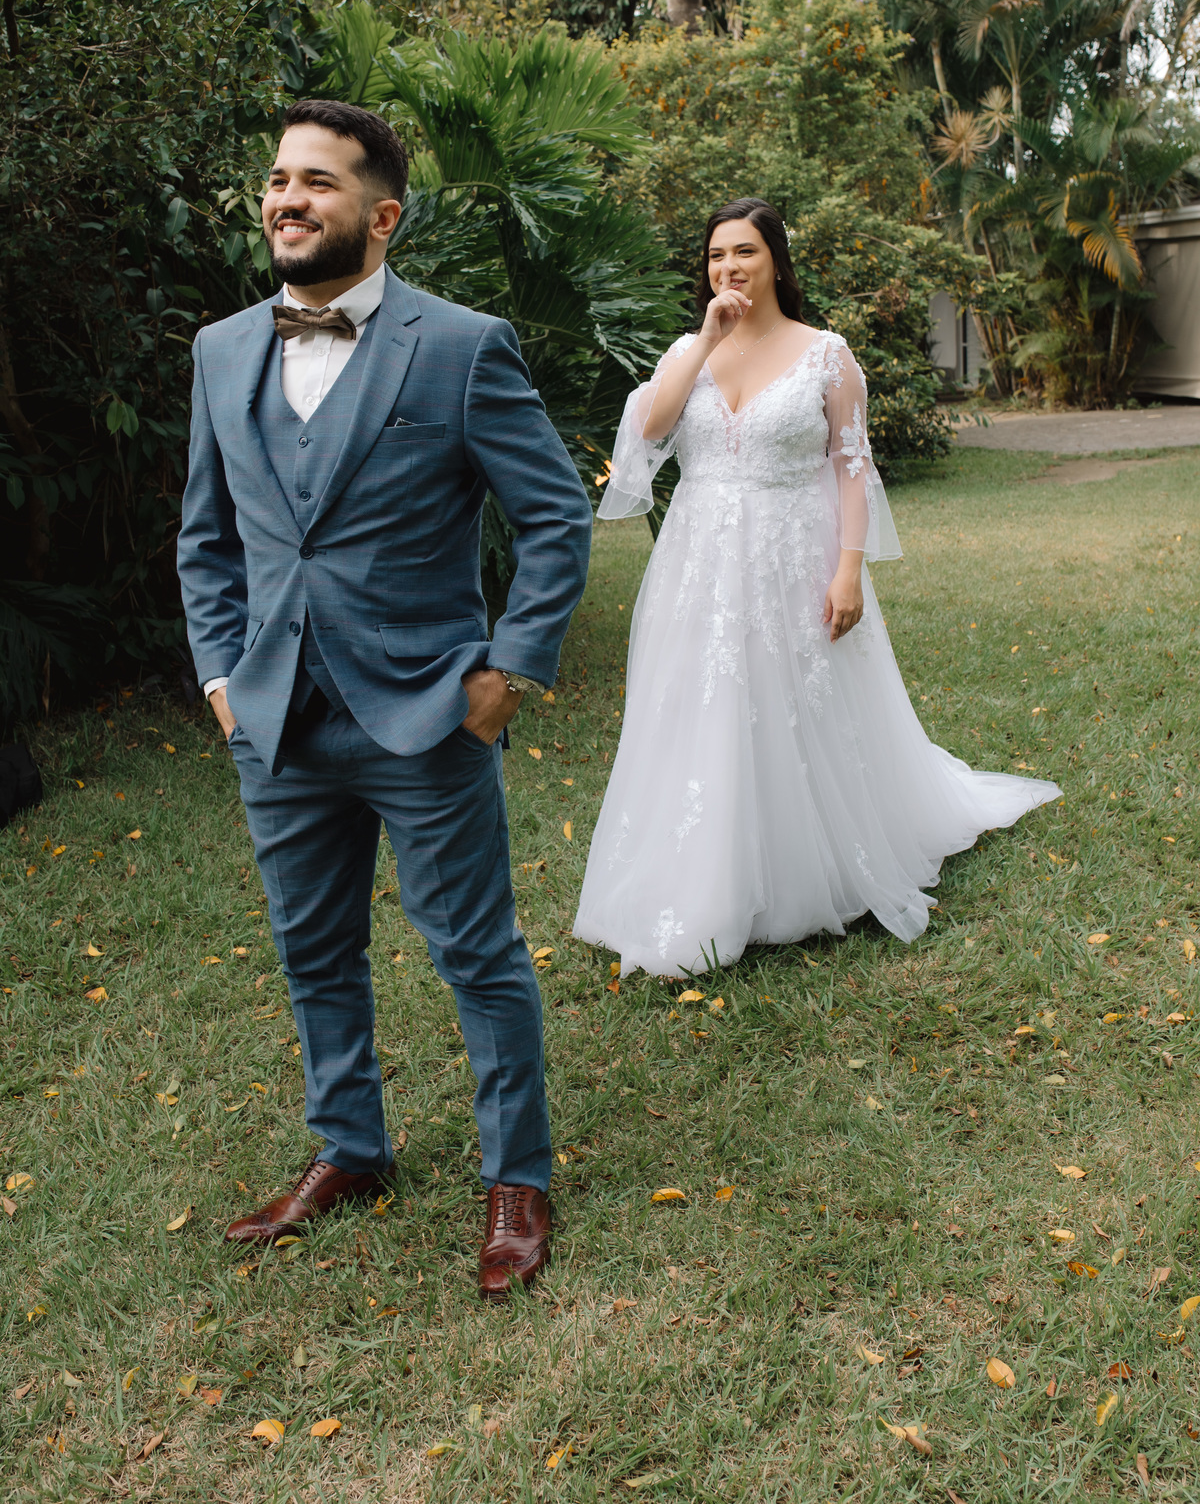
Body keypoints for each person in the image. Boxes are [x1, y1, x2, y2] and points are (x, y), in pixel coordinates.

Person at [177, 99, 592, 1300]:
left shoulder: (460, 346)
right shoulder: (220, 350)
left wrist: (507, 672)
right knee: (313, 948)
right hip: (275, 721)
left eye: (317, 181)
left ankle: (516, 1177)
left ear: (383, 213)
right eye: (277, 180)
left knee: (476, 953)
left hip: (426, 712)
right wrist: (220, 677)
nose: (287, 198)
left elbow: (555, 515)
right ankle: (350, 1147)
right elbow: (207, 538)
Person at [573, 198, 1059, 977]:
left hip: (792, 555)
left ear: (775, 260)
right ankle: (703, 871)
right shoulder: (688, 349)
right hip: (699, 561)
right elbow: (652, 428)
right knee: (700, 707)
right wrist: (707, 339)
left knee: (795, 702)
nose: (728, 267)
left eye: (744, 251)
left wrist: (848, 568)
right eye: (715, 255)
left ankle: (813, 859)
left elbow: (852, 467)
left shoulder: (826, 354)